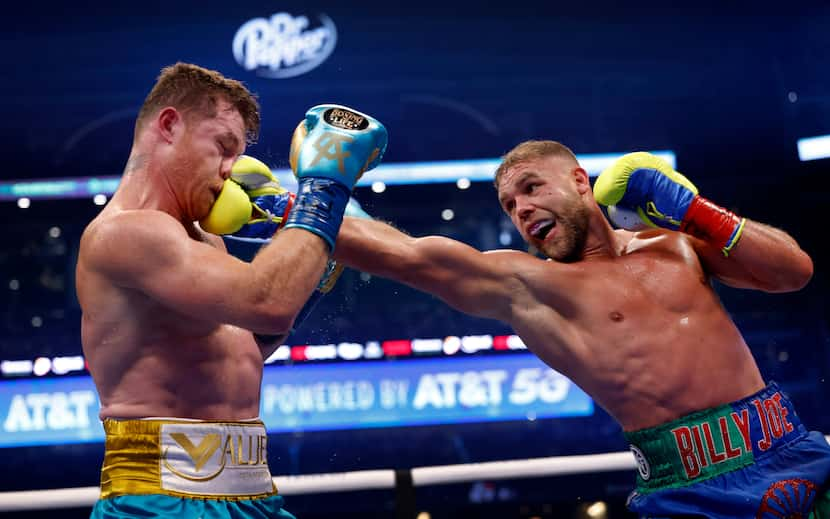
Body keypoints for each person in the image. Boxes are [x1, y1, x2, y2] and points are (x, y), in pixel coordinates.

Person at [220, 140, 829, 517]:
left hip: (794, 449)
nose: (523, 210)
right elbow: (412, 255)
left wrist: (691, 207)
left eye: (532, 189)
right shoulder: (531, 286)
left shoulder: (675, 243)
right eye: (511, 206)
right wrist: (290, 206)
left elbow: (793, 272)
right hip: (692, 490)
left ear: (580, 183)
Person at [75, 62, 387, 518]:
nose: (229, 172)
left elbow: (240, 349)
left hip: (253, 493)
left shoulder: (204, 239)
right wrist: (323, 189)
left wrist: (312, 277)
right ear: (169, 125)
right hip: (162, 503)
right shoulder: (126, 233)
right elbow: (267, 303)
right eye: (223, 148)